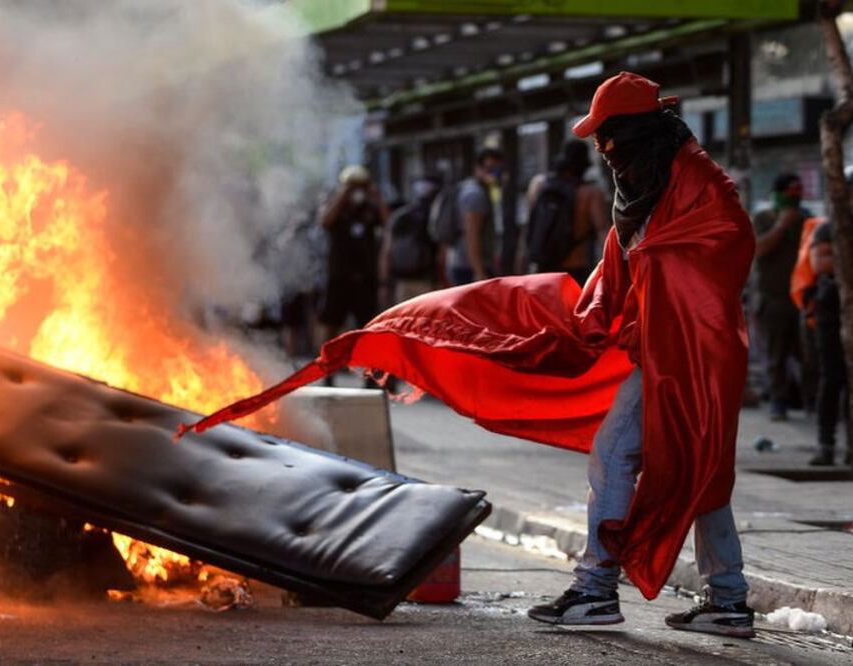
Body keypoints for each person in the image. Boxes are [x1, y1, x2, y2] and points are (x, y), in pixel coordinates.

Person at [183, 72, 757, 638]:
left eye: (609, 134)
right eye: (597, 138)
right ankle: (722, 597)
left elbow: (722, 248)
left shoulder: (698, 182)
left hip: (698, 351)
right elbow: (614, 281)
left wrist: (662, 286)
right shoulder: (640, 189)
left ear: (638, 130)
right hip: (658, 350)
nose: (602, 149)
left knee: (689, 463)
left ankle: (600, 589)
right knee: (696, 463)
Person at [754, 174, 811, 421]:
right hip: (772, 298)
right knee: (776, 357)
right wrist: (782, 226)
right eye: (791, 192)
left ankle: (811, 401)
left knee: (808, 355)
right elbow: (759, 249)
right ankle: (779, 402)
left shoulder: (807, 220)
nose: (795, 196)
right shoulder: (764, 218)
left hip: (803, 298)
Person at [317, 165, 388, 349]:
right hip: (339, 274)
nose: (357, 191)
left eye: (360, 186)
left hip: (365, 276)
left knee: (368, 324)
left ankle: (369, 371)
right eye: (353, 186)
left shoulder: (370, 208)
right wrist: (342, 196)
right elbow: (325, 221)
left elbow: (389, 222)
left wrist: (377, 197)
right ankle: (327, 369)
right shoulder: (337, 207)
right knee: (332, 321)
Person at [525, 140, 610, 284]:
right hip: (575, 269)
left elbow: (530, 228)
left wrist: (523, 264)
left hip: (542, 269)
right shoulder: (590, 193)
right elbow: (602, 232)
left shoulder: (539, 186)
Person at [806, 221, 852, 466]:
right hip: (830, 314)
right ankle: (826, 445)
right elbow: (820, 264)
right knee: (832, 380)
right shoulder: (829, 229)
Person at [380, 175, 441, 306]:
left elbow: (387, 252)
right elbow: (442, 252)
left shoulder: (399, 216)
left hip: (402, 280)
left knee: (404, 322)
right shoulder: (434, 216)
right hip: (428, 280)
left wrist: (384, 284)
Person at [447, 148, 503, 285]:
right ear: (477, 167)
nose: (493, 174)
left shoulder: (467, 188)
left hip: (462, 262)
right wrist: (479, 272)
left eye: (497, 169)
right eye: (489, 168)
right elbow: (472, 235)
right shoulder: (475, 194)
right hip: (470, 267)